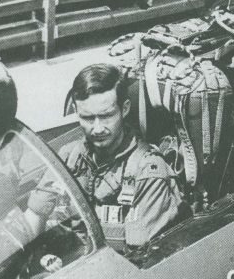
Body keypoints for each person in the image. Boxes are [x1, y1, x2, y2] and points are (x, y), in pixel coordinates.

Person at [58, 63, 186, 251]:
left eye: (106, 116)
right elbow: (36, 218)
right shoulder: (69, 157)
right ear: (76, 112)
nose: (98, 128)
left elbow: (139, 258)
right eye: (87, 118)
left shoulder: (148, 171)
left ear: (125, 109)